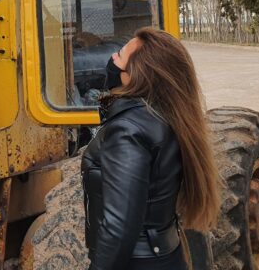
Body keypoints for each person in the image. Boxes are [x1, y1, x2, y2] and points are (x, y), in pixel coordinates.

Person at [81, 27, 220, 270]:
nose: (112, 59)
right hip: (164, 255)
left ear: (134, 75)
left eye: (119, 55)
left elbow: (118, 228)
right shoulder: (165, 116)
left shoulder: (127, 130)